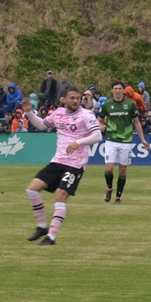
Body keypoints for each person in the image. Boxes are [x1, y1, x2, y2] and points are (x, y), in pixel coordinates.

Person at [22, 86, 103, 246]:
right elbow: (42, 125)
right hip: (57, 161)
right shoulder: (58, 113)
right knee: (32, 190)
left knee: (60, 196)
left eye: (78, 98)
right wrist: (30, 113)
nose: (75, 101)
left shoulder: (86, 115)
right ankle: (42, 227)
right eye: (72, 98)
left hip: (75, 164)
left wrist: (78, 142)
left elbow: (97, 135)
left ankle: (51, 237)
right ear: (63, 99)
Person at [98, 81, 150, 204]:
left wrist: (142, 139)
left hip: (126, 141)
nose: (117, 91)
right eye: (115, 88)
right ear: (112, 90)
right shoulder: (107, 105)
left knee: (122, 170)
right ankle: (109, 188)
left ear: (123, 90)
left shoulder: (130, 104)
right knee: (109, 169)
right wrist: (100, 126)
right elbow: (99, 120)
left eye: (120, 88)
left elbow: (136, 122)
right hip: (111, 140)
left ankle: (118, 197)